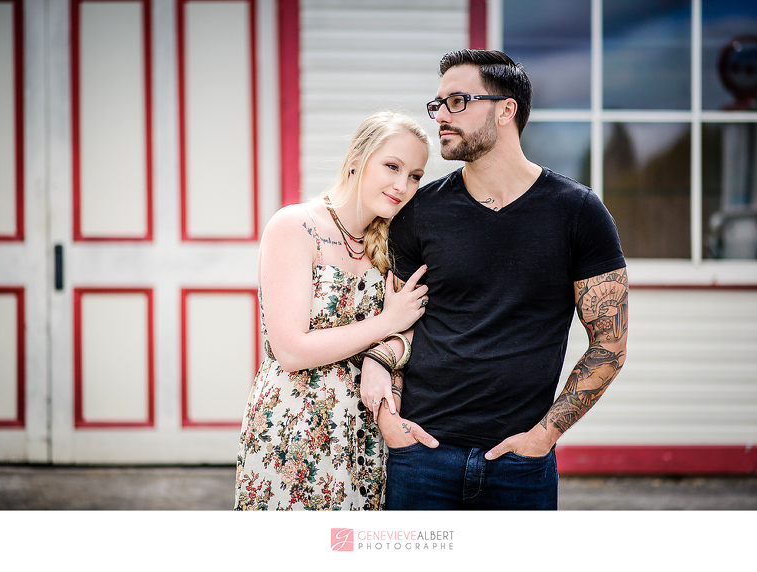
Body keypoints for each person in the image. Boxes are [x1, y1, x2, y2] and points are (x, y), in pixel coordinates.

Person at [360, 49, 629, 510]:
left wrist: (545, 436)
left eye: (458, 101)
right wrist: (391, 422)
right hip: (421, 456)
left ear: (507, 110)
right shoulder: (419, 213)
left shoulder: (577, 212)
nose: (442, 115)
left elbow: (610, 342)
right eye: (439, 103)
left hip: (521, 464)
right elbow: (400, 325)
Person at [234, 111, 431, 510]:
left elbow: (412, 328)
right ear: (357, 157)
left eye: (414, 175)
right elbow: (291, 351)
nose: (402, 185)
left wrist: (386, 352)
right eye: (392, 166)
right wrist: (387, 321)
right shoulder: (296, 226)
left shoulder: (394, 244)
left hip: (361, 431)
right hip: (293, 427)